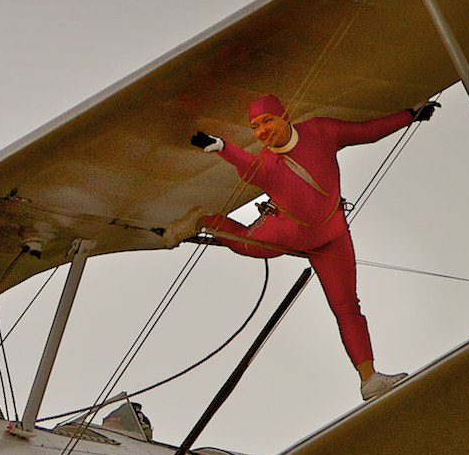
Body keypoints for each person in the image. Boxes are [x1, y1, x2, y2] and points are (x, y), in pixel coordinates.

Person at [182, 93, 436, 401]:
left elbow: (367, 132)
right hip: (286, 233)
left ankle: (369, 379)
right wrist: (224, 148)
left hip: (332, 235)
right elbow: (249, 168)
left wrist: (409, 115)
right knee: (249, 245)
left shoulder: (321, 132)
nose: (262, 132)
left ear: (284, 116)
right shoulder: (268, 165)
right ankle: (205, 219)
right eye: (254, 127)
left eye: (267, 121)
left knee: (347, 307)